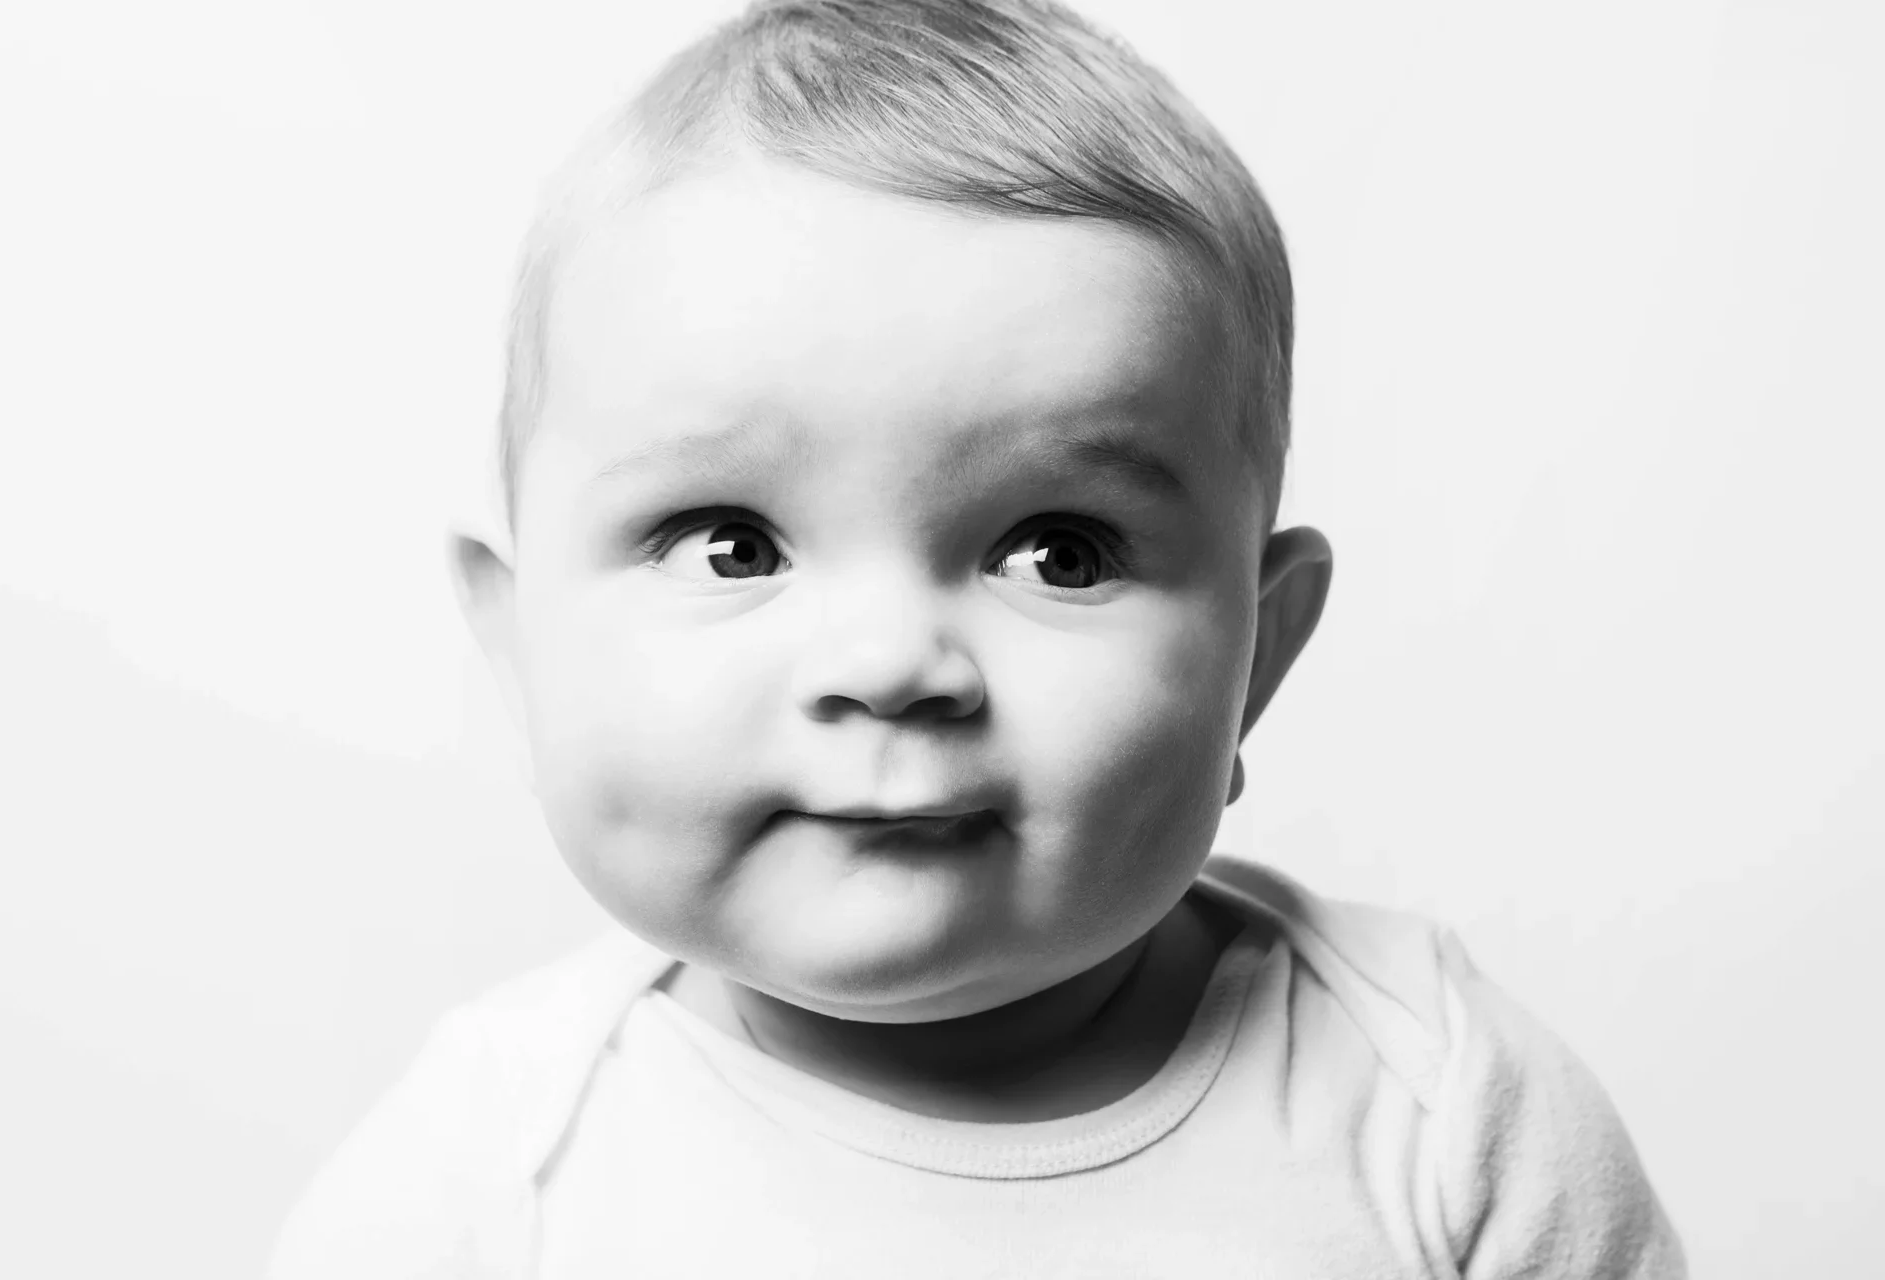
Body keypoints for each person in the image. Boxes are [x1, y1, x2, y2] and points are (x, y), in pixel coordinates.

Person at [270, 1, 1685, 1275]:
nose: (890, 664)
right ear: (520, 652)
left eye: (1060, 553)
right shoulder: (478, 1189)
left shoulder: (1444, 1116)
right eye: (732, 545)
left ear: (1257, 660)